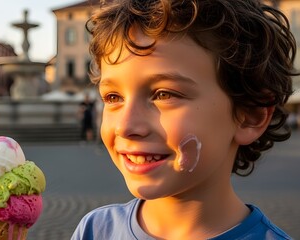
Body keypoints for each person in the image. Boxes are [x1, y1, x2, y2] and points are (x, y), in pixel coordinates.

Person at [72, 0, 296, 239]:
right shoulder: (95, 230)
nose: (126, 127)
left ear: (249, 117)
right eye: (113, 97)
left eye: (164, 94)